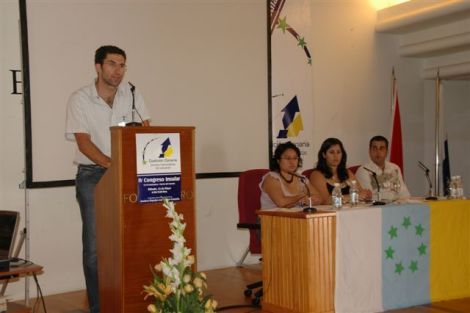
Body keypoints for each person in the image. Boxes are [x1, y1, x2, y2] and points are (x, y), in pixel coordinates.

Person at [65, 45, 151, 313]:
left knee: (132, 241)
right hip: (93, 175)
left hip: (127, 175)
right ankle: (99, 307)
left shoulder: (132, 95)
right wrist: (113, 165)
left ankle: (131, 302)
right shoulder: (80, 98)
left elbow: (147, 130)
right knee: (95, 247)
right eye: (112, 64)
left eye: (122, 65)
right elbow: (83, 142)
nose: (118, 70)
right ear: (98, 67)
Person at [260, 141, 322, 209]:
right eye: (288, 158)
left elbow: (319, 198)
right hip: (272, 218)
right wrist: (301, 197)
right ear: (278, 161)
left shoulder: (301, 179)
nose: (292, 162)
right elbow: (281, 203)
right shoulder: (271, 178)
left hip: (296, 217)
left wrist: (308, 201)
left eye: (295, 158)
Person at [309, 138, 371, 205]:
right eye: (331, 152)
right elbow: (325, 201)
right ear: (324, 155)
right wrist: (352, 196)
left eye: (338, 152)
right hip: (331, 212)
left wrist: (366, 195)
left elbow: (360, 192)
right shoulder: (317, 175)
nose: (336, 156)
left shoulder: (347, 172)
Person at [356, 135, 410, 202]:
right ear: (369, 151)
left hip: (396, 206)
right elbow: (368, 197)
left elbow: (404, 193)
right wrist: (393, 195)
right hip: (375, 209)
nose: (378, 152)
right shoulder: (363, 170)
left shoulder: (395, 168)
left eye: (381, 148)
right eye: (375, 148)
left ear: (387, 152)